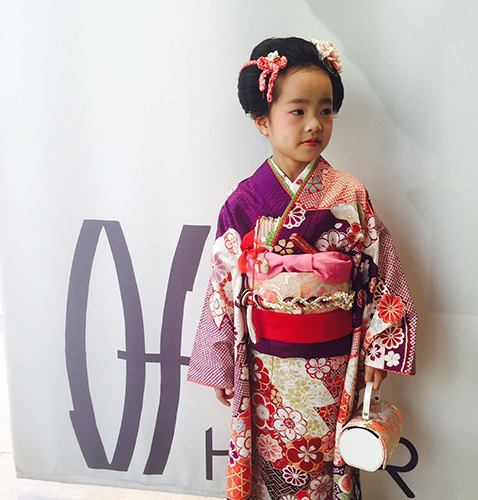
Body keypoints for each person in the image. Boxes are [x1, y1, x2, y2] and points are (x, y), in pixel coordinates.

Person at [187, 36, 416, 500]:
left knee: (328, 461)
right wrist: (221, 361)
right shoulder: (244, 202)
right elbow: (223, 284)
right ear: (262, 120)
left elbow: (382, 272)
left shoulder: (349, 194)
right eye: (298, 110)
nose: (315, 123)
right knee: (272, 462)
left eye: (326, 110)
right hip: (265, 366)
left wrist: (381, 349)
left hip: (336, 362)